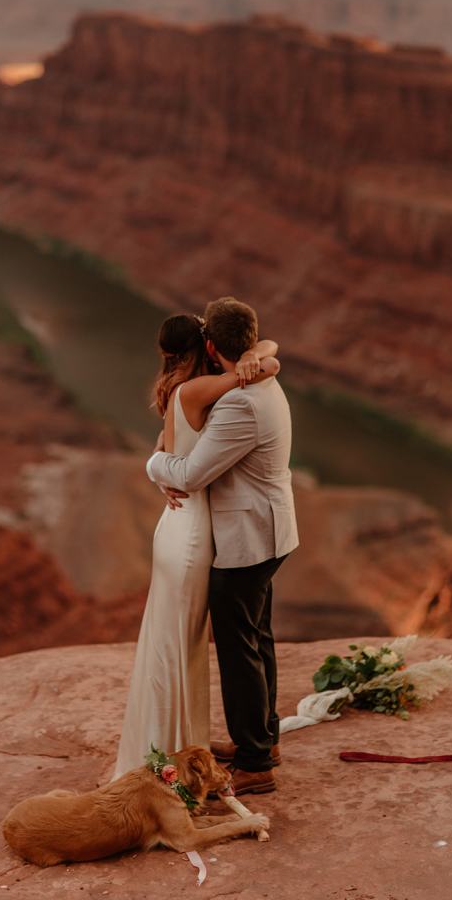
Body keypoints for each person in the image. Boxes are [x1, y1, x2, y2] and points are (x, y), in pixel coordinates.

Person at [112, 310, 280, 780]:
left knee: (184, 642)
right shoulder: (199, 391)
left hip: (184, 526)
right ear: (204, 347)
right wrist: (259, 357)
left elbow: (267, 356)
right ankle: (188, 750)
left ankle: (194, 743)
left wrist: (258, 352)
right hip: (192, 533)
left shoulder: (178, 389)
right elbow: (267, 367)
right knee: (184, 643)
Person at [146, 297, 298, 797]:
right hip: (268, 531)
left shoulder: (237, 403)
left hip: (248, 539)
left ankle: (255, 762)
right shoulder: (262, 380)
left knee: (239, 650)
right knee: (257, 638)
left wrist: (152, 465)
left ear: (211, 346)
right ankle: (263, 741)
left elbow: (190, 475)